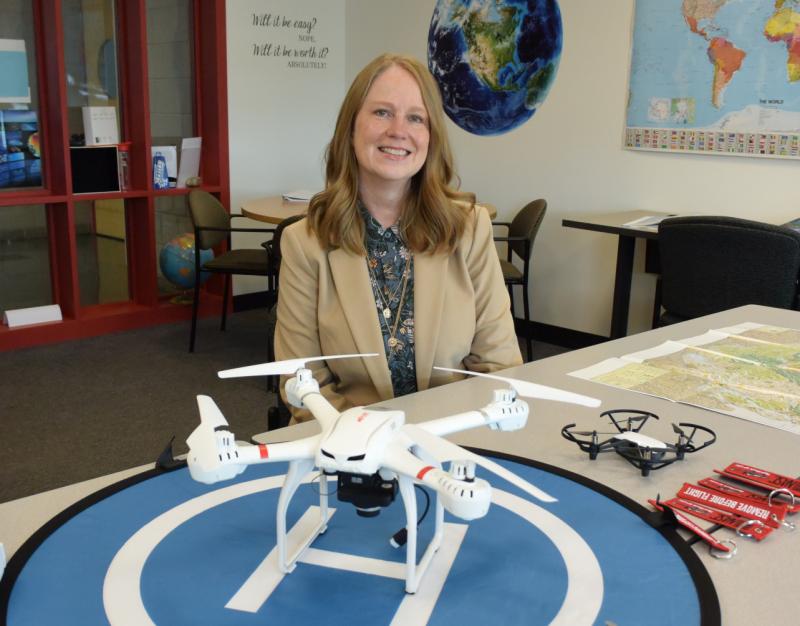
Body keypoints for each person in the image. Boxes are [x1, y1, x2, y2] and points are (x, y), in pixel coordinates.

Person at [274, 52, 521, 420]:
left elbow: (499, 367)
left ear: (430, 136)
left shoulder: (470, 229)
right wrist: (367, 448)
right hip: (352, 451)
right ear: (351, 127)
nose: (398, 131)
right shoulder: (304, 243)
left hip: (454, 443)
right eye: (382, 112)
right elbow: (304, 385)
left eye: (416, 118)